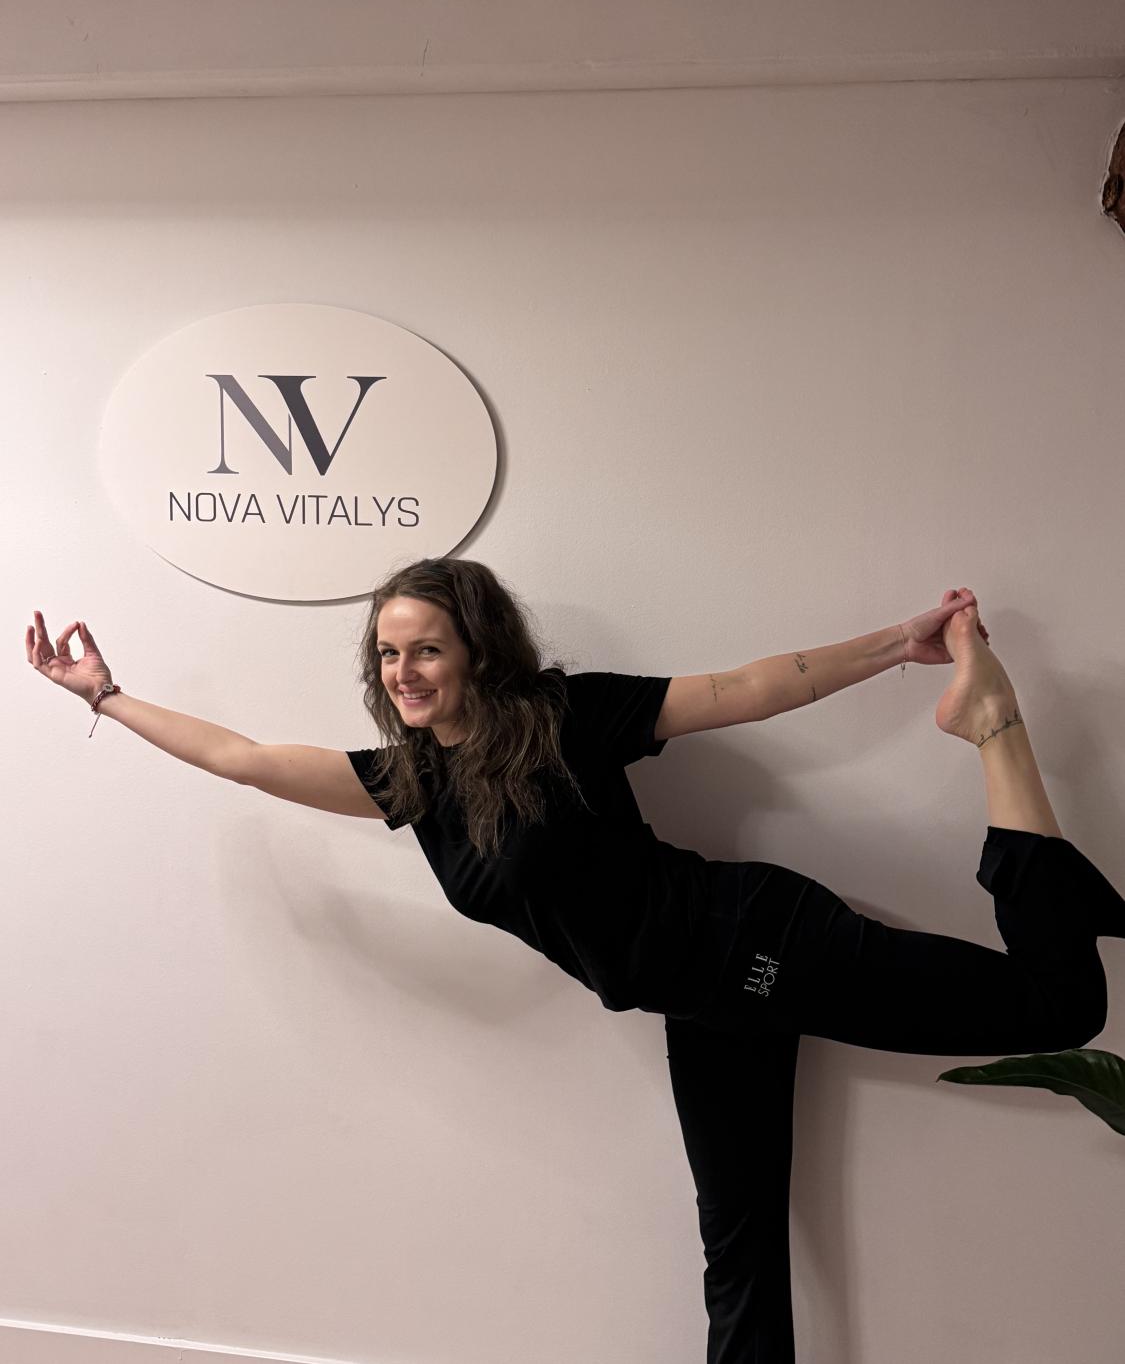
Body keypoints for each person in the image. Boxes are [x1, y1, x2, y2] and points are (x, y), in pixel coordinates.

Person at [26, 558, 1122, 1364]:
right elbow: (245, 759)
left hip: (761, 943)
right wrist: (105, 697)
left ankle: (993, 722)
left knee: (1058, 1006)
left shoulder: (562, 716)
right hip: (701, 1002)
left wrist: (896, 644)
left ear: (475, 649)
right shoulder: (412, 785)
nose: (403, 671)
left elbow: (748, 688)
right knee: (738, 1247)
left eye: (425, 648)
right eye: (388, 654)